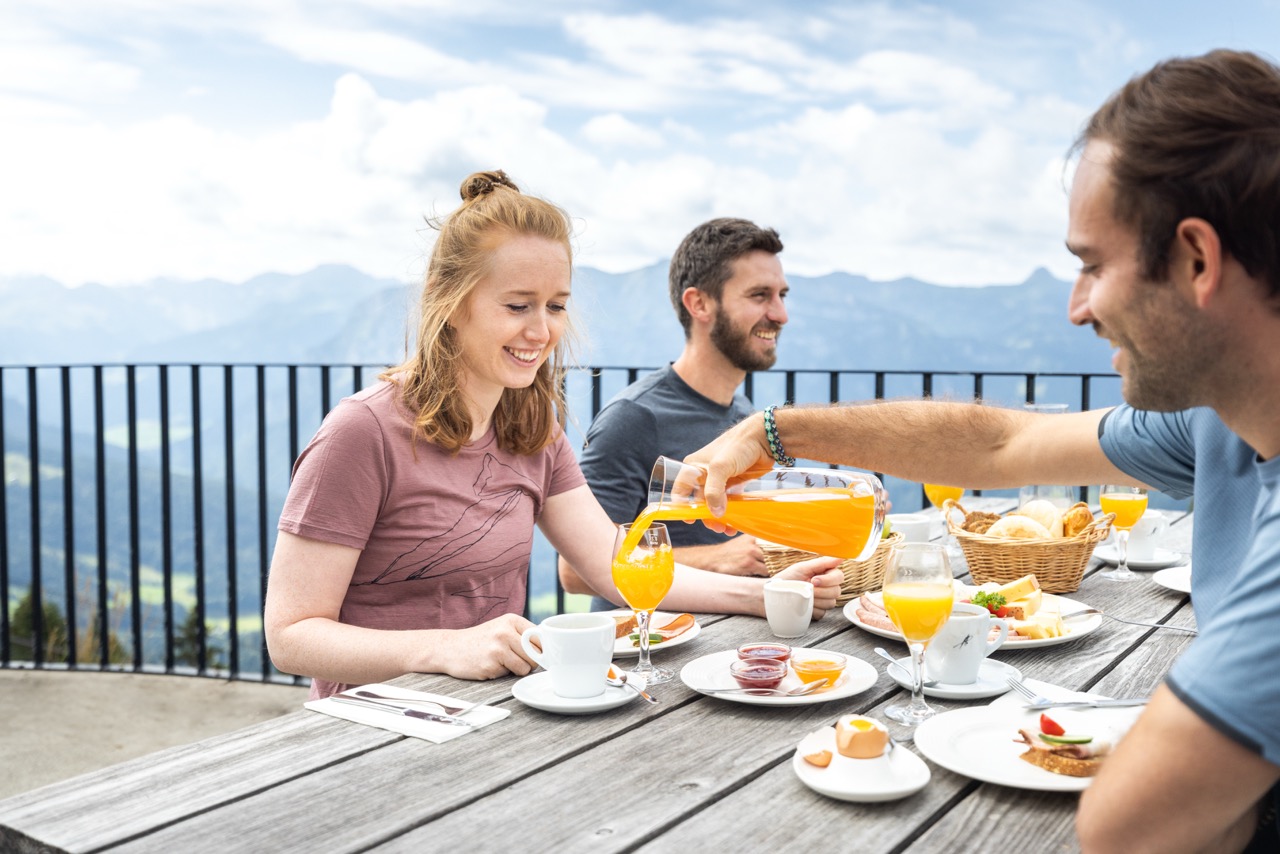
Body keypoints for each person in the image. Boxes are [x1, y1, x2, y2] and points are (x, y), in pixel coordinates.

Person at [685, 50, 1280, 852]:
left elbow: (1129, 829)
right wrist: (770, 432)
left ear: (1198, 260)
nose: (1077, 309)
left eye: (1093, 266)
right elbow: (1005, 442)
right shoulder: (1220, 418)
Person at [263, 170, 843, 701]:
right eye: (518, 305)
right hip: (375, 728)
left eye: (557, 306)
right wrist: (441, 648)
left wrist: (766, 595)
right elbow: (290, 636)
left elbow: (614, 561)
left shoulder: (533, 431)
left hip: (494, 712)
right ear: (452, 303)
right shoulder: (362, 433)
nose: (541, 331)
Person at [558, 218, 788, 608]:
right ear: (699, 303)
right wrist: (719, 560)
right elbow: (576, 572)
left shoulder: (744, 415)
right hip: (650, 650)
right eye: (759, 295)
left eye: (782, 295)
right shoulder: (633, 418)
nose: (780, 314)